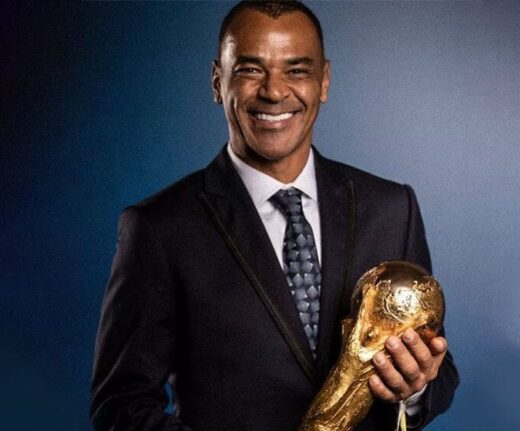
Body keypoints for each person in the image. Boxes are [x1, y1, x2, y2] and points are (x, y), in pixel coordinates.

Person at [90, 1, 459, 430]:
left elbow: (440, 375)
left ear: (324, 81)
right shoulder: (160, 228)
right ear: (217, 82)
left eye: (297, 70)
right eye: (250, 69)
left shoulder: (393, 209)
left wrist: (415, 388)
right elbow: (120, 408)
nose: (274, 91)